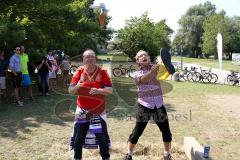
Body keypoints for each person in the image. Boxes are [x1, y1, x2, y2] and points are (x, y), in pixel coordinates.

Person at [123, 50, 173, 160]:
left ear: (149, 58)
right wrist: (152, 72)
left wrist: (168, 66)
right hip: (144, 106)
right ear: (138, 61)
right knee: (137, 132)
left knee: (166, 132)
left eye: (145, 55)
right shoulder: (136, 73)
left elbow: (168, 72)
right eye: (141, 56)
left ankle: (167, 154)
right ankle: (129, 154)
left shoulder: (157, 67)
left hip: (158, 105)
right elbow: (143, 80)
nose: (144, 56)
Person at [68, 49, 112, 160]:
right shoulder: (79, 72)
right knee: (79, 137)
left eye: (92, 56)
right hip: (82, 111)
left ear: (95, 58)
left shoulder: (102, 72)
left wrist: (99, 90)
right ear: (83, 59)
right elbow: (70, 91)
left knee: (101, 138)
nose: (90, 59)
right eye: (87, 57)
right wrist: (78, 85)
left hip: (97, 112)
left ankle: (105, 158)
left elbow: (110, 90)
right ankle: (77, 158)